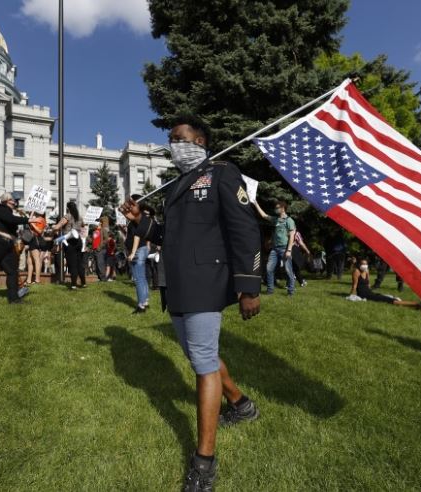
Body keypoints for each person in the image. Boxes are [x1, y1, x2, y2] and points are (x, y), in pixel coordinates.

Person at [120, 115, 262, 492]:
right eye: (170, 139)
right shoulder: (176, 185)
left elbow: (245, 228)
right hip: (178, 284)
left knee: (202, 361)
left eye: (179, 137)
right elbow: (170, 236)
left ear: (199, 140)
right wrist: (141, 222)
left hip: (205, 282)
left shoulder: (222, 173)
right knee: (200, 354)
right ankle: (243, 405)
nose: (174, 144)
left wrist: (249, 286)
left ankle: (204, 461)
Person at [253, 200, 297, 296]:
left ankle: (291, 291)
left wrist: (289, 250)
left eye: (277, 208)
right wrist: (256, 203)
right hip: (274, 249)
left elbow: (292, 236)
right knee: (269, 269)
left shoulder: (289, 221)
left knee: (288, 270)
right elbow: (264, 216)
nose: (275, 209)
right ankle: (270, 290)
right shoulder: (276, 219)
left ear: (282, 209)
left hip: (285, 249)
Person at [350, 258, 421, 309]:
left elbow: (368, 283)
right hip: (363, 294)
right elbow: (355, 285)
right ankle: (416, 304)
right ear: (359, 264)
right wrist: (351, 295)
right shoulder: (356, 271)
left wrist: (370, 290)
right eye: (363, 264)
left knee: (385, 298)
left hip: (370, 293)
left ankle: (416, 306)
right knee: (389, 300)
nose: (365, 265)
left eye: (366, 264)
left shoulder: (366, 271)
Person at [52, 202, 86, 289]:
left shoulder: (67, 216)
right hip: (79, 241)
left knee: (72, 263)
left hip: (70, 241)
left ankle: (74, 284)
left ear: (68, 208)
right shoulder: (80, 217)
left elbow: (57, 227)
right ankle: (83, 283)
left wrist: (53, 227)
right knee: (79, 262)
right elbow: (83, 228)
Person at [126, 198, 151, 313]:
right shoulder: (139, 218)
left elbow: (137, 236)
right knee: (142, 278)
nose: (130, 207)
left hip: (138, 250)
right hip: (141, 249)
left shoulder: (138, 218)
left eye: (131, 205)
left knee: (139, 279)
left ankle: (141, 306)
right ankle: (145, 301)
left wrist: (132, 253)